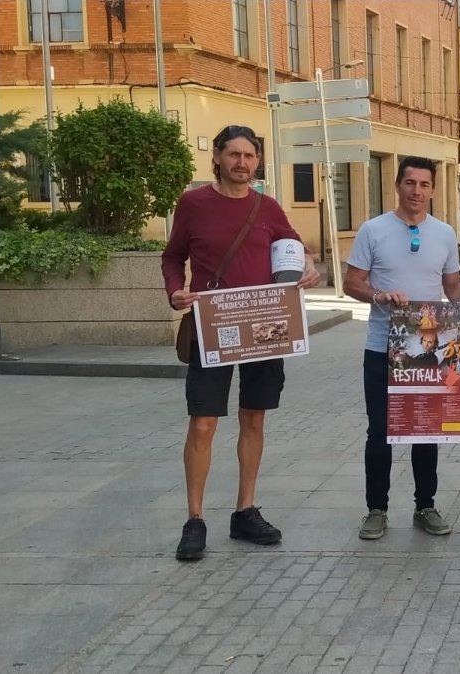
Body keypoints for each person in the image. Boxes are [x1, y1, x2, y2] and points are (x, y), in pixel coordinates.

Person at [162, 124, 321, 561]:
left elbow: (294, 246)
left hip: (265, 326)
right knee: (203, 423)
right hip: (213, 326)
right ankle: (195, 519)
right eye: (233, 154)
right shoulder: (194, 203)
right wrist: (175, 291)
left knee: (254, 418)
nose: (241, 163)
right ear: (216, 157)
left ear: (257, 161)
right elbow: (173, 256)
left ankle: (245, 510)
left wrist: (310, 266)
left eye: (249, 156)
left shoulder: (267, 207)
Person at [345, 155, 460, 540]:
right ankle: (376, 509)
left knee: (426, 429)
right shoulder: (373, 230)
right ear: (398, 185)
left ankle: (426, 506)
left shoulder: (444, 233)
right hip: (382, 347)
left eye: (424, 184)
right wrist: (378, 295)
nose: (416, 191)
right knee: (380, 431)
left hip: (430, 347)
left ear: (432, 189)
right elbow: (352, 283)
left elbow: (451, 284)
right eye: (410, 183)